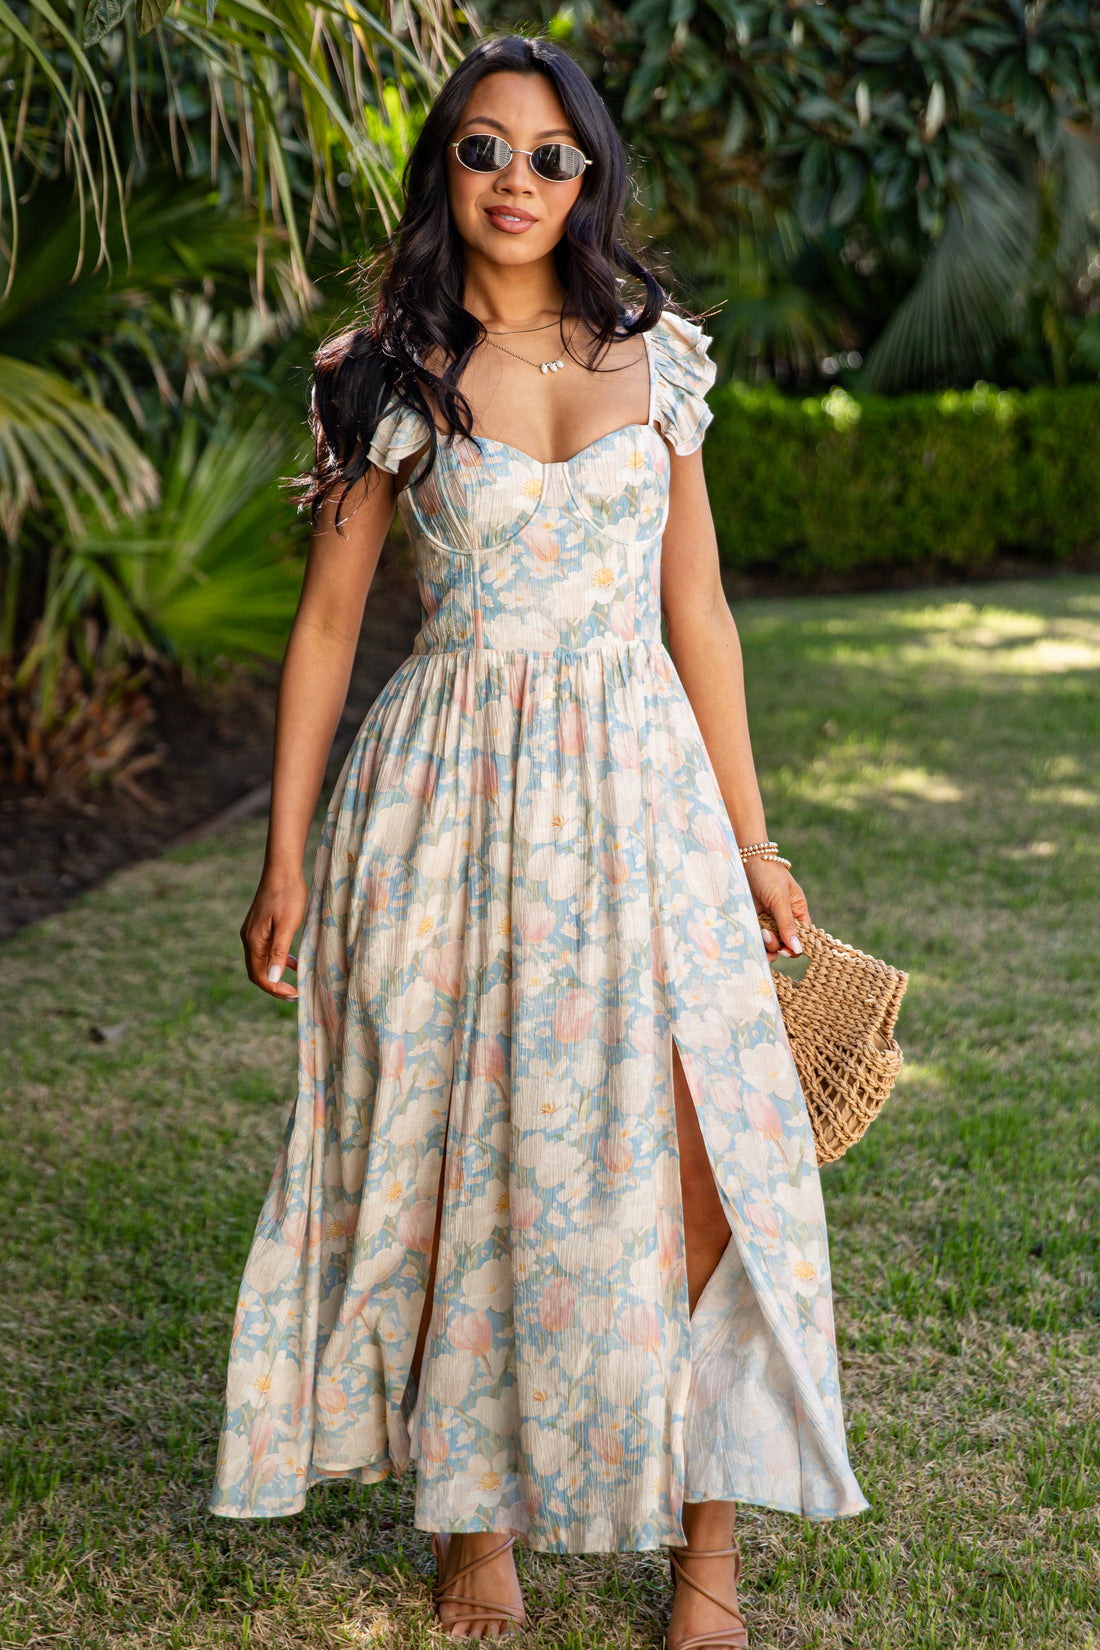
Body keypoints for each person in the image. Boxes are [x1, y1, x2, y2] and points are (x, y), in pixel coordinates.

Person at [208, 32, 869, 1647]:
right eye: (485, 149)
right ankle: (472, 1525)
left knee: (707, 1150)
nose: (517, 181)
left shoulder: (665, 353)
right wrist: (285, 854)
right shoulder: (387, 364)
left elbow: (697, 609)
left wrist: (755, 839)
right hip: (447, 792)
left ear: (591, 177)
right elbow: (326, 628)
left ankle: (705, 1550)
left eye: (551, 153)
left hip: (642, 786)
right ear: (449, 168)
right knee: (465, 1147)